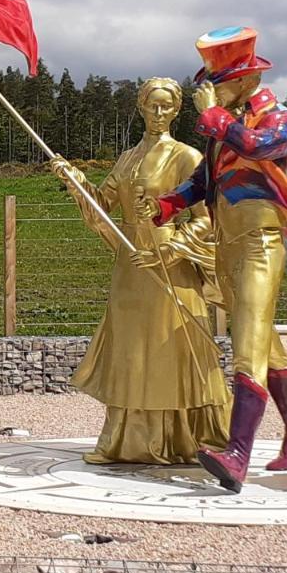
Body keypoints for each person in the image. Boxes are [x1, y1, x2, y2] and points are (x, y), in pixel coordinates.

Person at [136, 27, 287, 492]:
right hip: (227, 243)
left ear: (244, 79)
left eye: (217, 82)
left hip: (261, 243)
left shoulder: (278, 118)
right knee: (265, 343)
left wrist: (215, 117)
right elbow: (201, 183)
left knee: (248, 346)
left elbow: (260, 148)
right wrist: (164, 206)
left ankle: (237, 455)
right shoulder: (224, 124)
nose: (210, 91)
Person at [50, 77, 229, 465]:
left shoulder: (188, 156)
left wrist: (169, 249)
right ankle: (123, 440)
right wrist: (76, 181)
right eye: (153, 105)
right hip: (130, 268)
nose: (160, 113)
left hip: (171, 269)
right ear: (141, 107)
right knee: (131, 352)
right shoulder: (128, 158)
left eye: (167, 106)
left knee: (168, 351)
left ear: (178, 110)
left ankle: (182, 438)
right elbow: (104, 209)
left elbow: (208, 219)